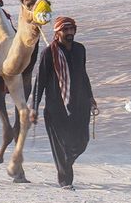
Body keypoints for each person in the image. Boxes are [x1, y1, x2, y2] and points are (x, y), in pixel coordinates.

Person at [31, 15, 97, 189]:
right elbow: (40, 81)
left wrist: (90, 97)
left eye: (71, 29)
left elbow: (83, 74)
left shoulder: (80, 50)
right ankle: (65, 181)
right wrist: (34, 108)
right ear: (57, 32)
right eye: (65, 30)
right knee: (61, 145)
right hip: (56, 108)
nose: (69, 32)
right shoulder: (48, 53)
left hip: (80, 105)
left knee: (82, 141)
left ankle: (66, 164)